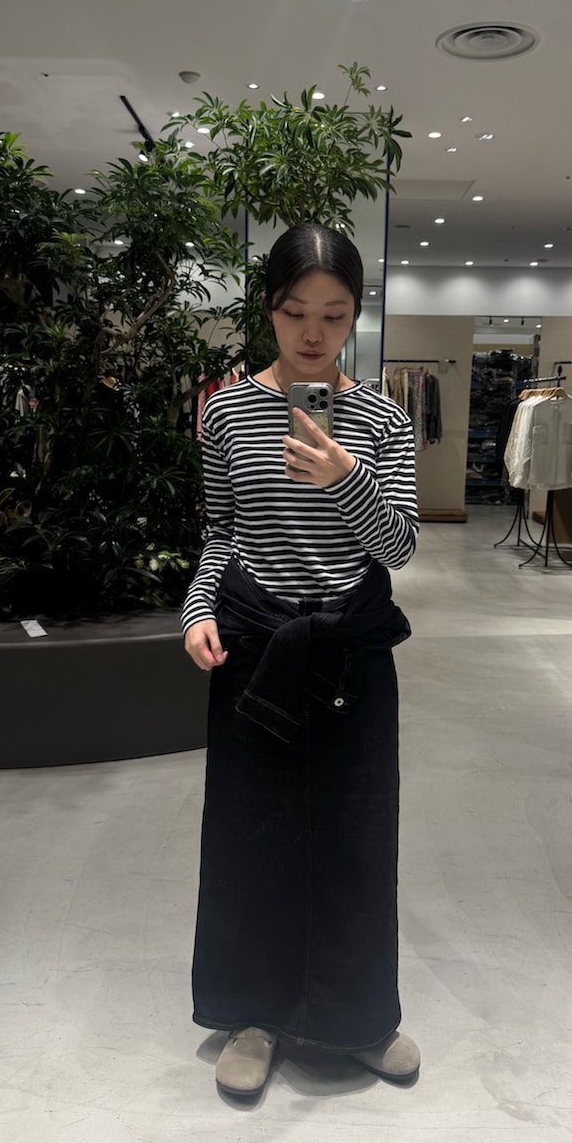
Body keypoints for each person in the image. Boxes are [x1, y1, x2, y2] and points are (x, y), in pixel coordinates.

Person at [181, 222, 420, 1098]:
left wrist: (346, 478)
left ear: (356, 313)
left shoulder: (385, 419)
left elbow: (399, 546)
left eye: (335, 313)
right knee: (253, 834)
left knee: (357, 834)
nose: (314, 333)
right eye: (294, 312)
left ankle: (357, 1016)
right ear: (268, 310)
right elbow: (220, 534)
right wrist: (197, 609)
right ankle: (255, 1013)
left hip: (350, 650)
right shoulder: (225, 412)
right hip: (255, 646)